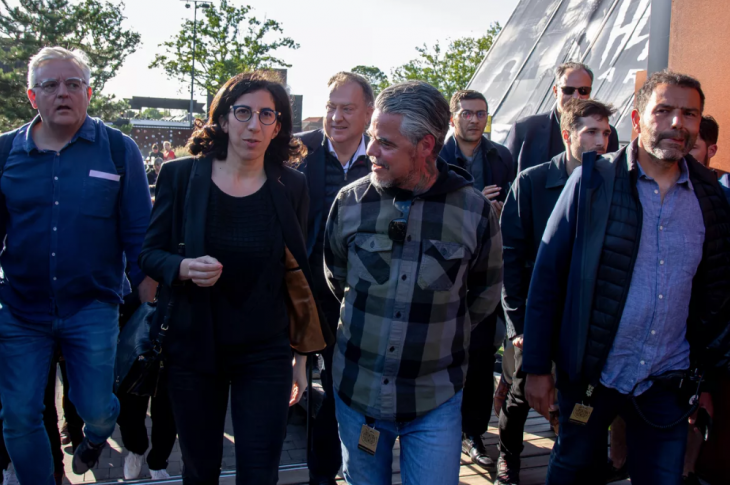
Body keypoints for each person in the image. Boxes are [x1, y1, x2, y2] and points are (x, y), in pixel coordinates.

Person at [522, 70, 730, 484]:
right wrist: (536, 368)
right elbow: (548, 278)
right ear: (637, 120)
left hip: (667, 379)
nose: (677, 123)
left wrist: (707, 375)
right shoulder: (594, 180)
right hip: (593, 373)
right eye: (664, 110)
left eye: (689, 114)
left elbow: (715, 294)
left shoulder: (712, 196)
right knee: (572, 471)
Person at [139, 71, 331, 484]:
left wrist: (300, 359)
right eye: (242, 112)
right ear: (223, 120)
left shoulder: (291, 184)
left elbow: (296, 273)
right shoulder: (181, 176)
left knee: (260, 472)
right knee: (201, 469)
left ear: (278, 126)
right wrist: (183, 267)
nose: (253, 124)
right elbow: (149, 253)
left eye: (267, 115)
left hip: (265, 351)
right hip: (193, 348)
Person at [324, 81, 503, 485]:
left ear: (425, 146)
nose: (370, 151)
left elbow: (486, 292)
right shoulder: (350, 202)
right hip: (358, 392)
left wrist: (437, 336)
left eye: (385, 143)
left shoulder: (473, 210)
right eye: (372, 138)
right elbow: (337, 278)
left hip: (435, 397)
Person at [0, 46, 155, 485]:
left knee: (97, 409)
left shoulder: (118, 150)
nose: (62, 93)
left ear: (89, 92)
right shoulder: (4, 153)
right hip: (21, 310)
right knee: (17, 415)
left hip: (92, 308)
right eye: (50, 85)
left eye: (73, 84)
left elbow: (138, 237)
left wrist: (153, 314)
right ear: (33, 97)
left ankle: (97, 434)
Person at [498, 98, 615, 484]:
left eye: (606, 132)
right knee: (520, 392)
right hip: (535, 313)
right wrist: (517, 326)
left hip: (585, 319)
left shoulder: (615, 182)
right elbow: (510, 259)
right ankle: (508, 455)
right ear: (567, 135)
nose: (601, 140)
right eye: (591, 132)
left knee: (582, 399)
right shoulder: (530, 182)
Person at [296, 71, 374, 485]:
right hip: (298, 295)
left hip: (355, 301)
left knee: (338, 390)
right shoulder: (296, 151)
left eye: (347, 108)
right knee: (290, 387)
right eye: (330, 107)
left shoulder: (381, 158)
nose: (336, 117)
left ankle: (325, 472)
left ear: (368, 113)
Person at [440, 89, 514, 469]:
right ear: (453, 117)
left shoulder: (501, 157)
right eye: (467, 113)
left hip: (485, 266)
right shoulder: (435, 155)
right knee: (440, 353)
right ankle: (440, 430)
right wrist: (472, 200)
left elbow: (515, 212)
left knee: (483, 356)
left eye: (481, 113)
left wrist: (497, 211)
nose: (474, 119)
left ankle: (474, 432)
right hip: (443, 269)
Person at [505, 62, 620, 174]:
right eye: (568, 90)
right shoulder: (525, 128)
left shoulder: (608, 132)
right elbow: (507, 177)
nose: (576, 97)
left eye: (583, 90)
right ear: (555, 91)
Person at [117, 284, 177, 480]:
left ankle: (158, 462)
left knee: (168, 403)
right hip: (135, 308)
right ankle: (135, 450)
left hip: (176, 310)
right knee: (131, 397)